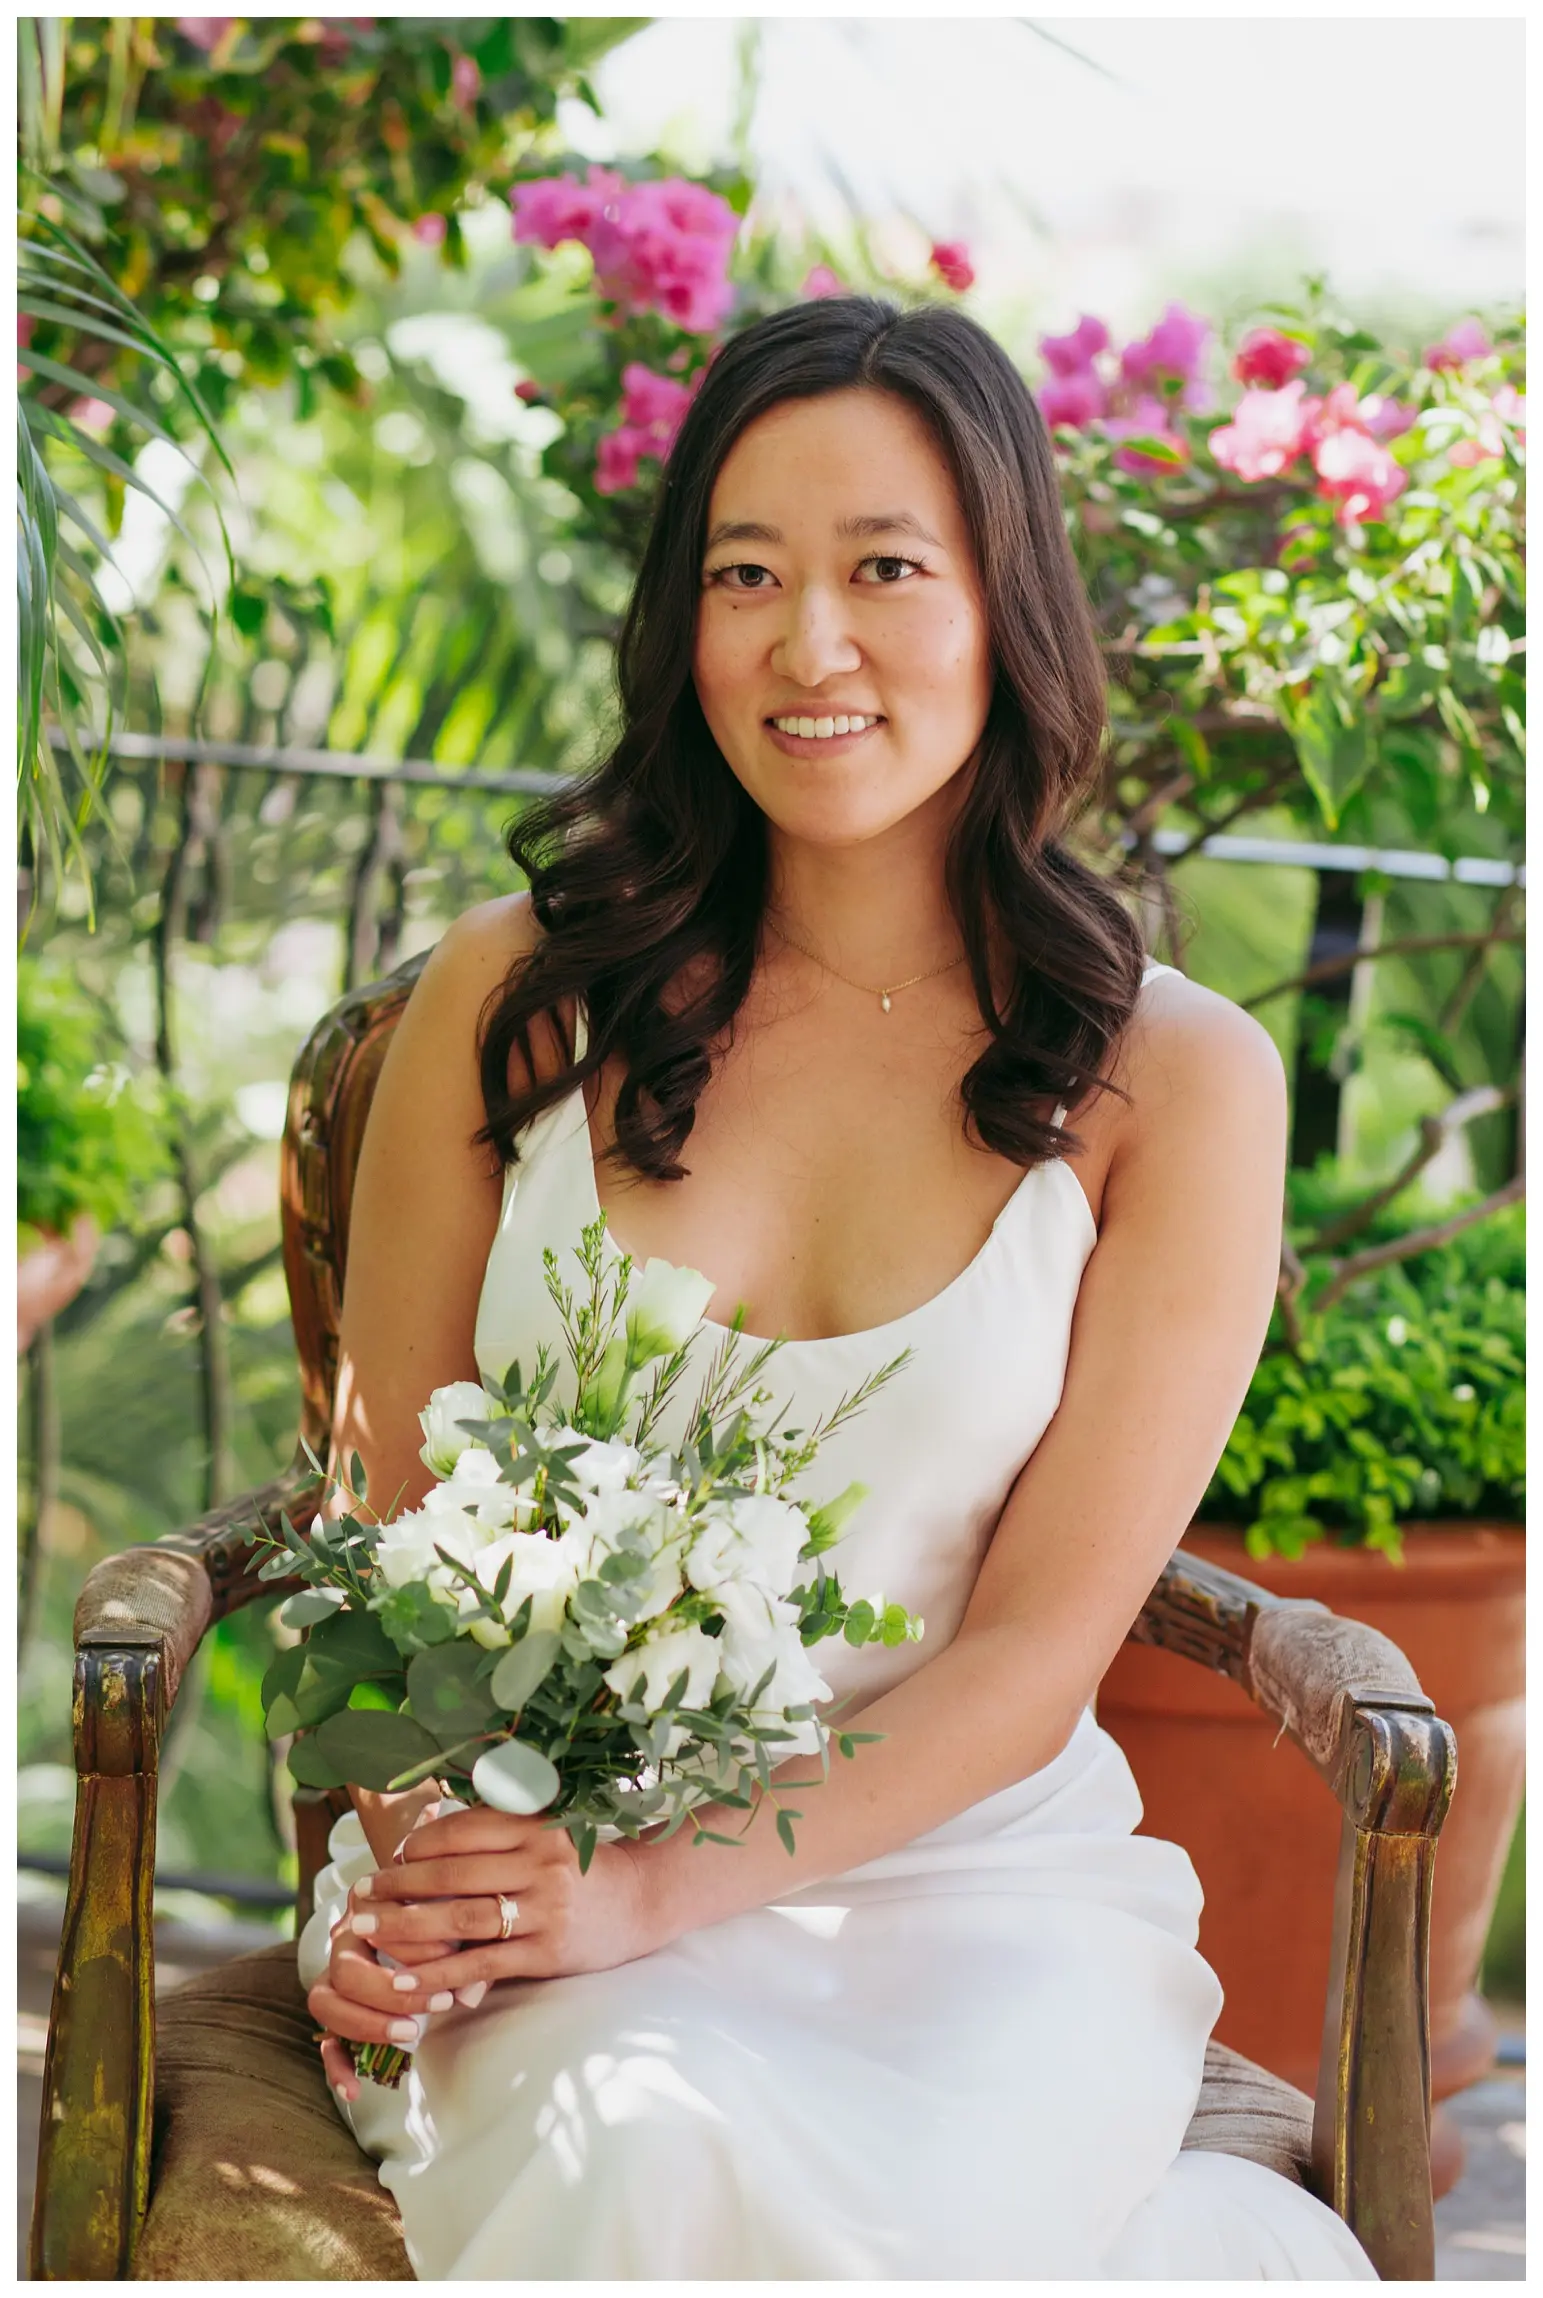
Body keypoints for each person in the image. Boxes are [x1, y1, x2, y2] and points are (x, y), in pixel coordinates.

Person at [298, 297, 1376, 2279]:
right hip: (538, 1875)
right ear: (680, 621)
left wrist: (660, 1885)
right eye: (744, 575)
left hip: (971, 1896)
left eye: (886, 566)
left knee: (946, 2225)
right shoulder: (510, 999)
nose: (810, 645)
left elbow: (1033, 1653)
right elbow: (391, 1525)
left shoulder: (1184, 1088)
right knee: (644, 2156)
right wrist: (439, 1859)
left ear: (1004, 607)